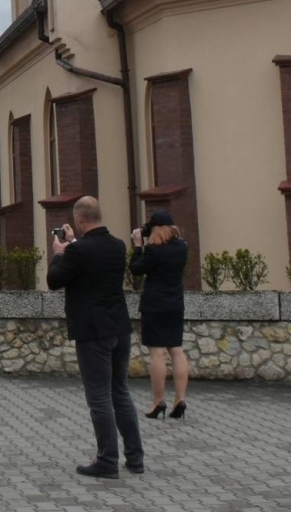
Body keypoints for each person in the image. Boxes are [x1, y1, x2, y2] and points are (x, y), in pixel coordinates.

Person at [47, 196, 144, 479]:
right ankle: (135, 457)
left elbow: (54, 281)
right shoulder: (118, 246)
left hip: (93, 332)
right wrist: (73, 244)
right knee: (120, 392)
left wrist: (59, 252)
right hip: (119, 327)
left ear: (79, 220)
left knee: (99, 397)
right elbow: (90, 258)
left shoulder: (78, 253)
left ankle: (107, 461)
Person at [130, 210, 190, 420]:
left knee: (157, 353)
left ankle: (158, 401)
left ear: (154, 228)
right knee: (176, 350)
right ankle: (180, 399)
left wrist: (138, 246)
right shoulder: (183, 247)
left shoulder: (153, 250)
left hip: (155, 304)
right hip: (175, 304)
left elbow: (136, 269)